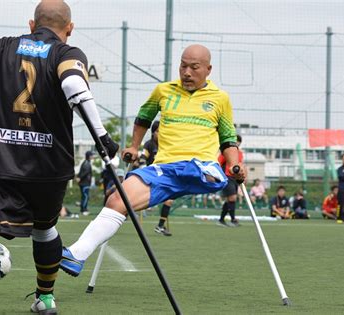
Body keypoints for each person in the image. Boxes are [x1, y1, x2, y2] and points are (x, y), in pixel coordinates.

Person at [0, 1, 118, 313]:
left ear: (31, 24)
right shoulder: (67, 53)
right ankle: (45, 298)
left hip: (9, 161)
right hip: (51, 165)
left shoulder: (3, 48)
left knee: (27, 225)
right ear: (69, 29)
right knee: (46, 229)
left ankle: (39, 290)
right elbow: (74, 84)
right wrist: (102, 137)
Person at [61, 44, 246, 277]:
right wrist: (134, 146)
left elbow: (228, 138)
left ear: (208, 69)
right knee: (117, 198)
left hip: (202, 168)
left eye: (194, 67)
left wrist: (233, 164)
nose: (187, 72)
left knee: (204, 173)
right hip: (164, 169)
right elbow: (143, 118)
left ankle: (199, 177)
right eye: (183, 65)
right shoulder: (163, 91)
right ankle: (76, 254)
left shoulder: (220, 98)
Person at [140, 120, 173, 236]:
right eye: (159, 131)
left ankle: (160, 226)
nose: (161, 134)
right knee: (141, 201)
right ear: (153, 132)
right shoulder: (149, 144)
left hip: (164, 176)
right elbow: (143, 156)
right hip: (152, 175)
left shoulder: (166, 145)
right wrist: (142, 163)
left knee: (169, 201)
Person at [217, 134, 243, 227]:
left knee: (230, 199)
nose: (237, 143)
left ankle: (221, 219)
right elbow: (219, 162)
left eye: (238, 141)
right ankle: (233, 219)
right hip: (227, 177)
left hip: (235, 178)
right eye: (235, 141)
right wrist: (218, 176)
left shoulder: (240, 153)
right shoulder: (227, 151)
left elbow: (240, 165)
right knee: (232, 198)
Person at [77, 151, 94, 216]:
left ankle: (83, 209)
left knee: (84, 196)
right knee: (85, 196)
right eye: (92, 155)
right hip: (85, 183)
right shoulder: (86, 163)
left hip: (84, 183)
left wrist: (79, 177)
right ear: (89, 156)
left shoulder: (86, 162)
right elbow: (85, 172)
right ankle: (84, 210)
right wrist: (80, 177)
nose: (92, 156)